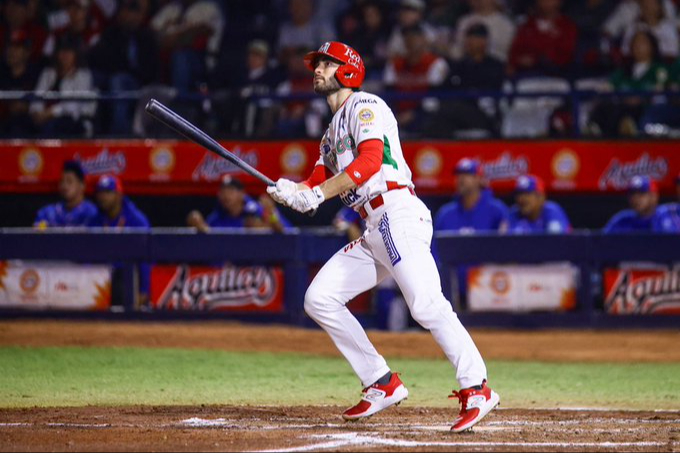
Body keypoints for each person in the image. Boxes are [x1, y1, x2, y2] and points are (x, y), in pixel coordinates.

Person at [266, 41, 499, 431]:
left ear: (348, 70)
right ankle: (381, 381)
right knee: (319, 299)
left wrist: (315, 194)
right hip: (374, 227)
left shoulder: (365, 106)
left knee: (425, 305)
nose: (317, 70)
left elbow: (369, 161)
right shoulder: (329, 134)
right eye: (317, 64)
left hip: (396, 213)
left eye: (325, 64)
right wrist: (291, 191)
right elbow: (316, 182)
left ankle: (477, 388)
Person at [88, 174, 151, 305]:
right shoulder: (95, 219)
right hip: (100, 278)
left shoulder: (136, 220)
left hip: (127, 279)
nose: (102, 197)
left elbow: (146, 259)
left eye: (107, 192)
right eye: (100, 192)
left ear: (119, 194)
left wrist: (144, 291)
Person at [30, 34, 97, 137]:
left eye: (69, 51)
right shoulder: (48, 73)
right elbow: (37, 96)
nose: (65, 55)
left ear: (76, 54)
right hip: (43, 118)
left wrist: (50, 113)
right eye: (62, 51)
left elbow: (73, 106)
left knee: (54, 126)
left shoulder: (83, 75)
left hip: (72, 120)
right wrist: (36, 113)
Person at [187, 175, 290, 233]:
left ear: (242, 194)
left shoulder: (257, 209)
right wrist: (200, 227)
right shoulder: (217, 216)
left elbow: (287, 233)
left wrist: (272, 214)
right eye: (223, 191)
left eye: (231, 191)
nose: (226, 195)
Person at [434, 158, 508, 235]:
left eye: (467, 174)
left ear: (479, 179)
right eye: (458, 175)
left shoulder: (496, 211)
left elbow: (505, 244)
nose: (461, 179)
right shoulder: (445, 214)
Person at [507, 0, 578, 76]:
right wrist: (517, 62)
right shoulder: (527, 26)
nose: (545, 2)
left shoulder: (567, 26)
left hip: (557, 77)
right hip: (526, 77)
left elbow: (565, 56)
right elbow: (514, 53)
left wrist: (537, 60)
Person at [603, 175, 680, 233]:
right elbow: (600, 244)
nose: (636, 199)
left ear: (654, 196)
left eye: (641, 194)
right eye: (633, 194)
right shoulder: (622, 221)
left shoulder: (670, 214)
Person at [34, 160, 97, 228]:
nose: (64, 186)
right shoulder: (47, 213)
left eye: (69, 181)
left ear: (82, 185)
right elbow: (37, 236)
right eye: (62, 181)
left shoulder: (93, 214)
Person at [507, 174, 571, 234]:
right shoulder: (514, 213)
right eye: (519, 194)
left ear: (541, 197)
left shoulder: (552, 211)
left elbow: (557, 241)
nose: (521, 198)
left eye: (527, 194)